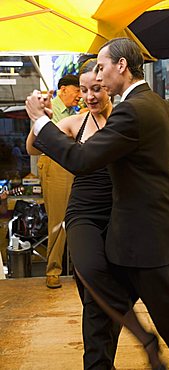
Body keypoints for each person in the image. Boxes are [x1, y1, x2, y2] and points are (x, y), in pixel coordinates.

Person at [26, 38, 169, 369]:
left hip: (145, 238)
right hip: (132, 233)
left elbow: (82, 159)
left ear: (121, 66)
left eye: (103, 69)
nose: (99, 80)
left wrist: (39, 120)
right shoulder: (159, 106)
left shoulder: (133, 111)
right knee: (100, 306)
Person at [37, 74, 82, 289]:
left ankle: (79, 270)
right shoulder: (49, 110)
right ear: (63, 89)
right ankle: (53, 271)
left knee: (78, 217)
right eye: (77, 90)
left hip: (74, 164)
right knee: (58, 219)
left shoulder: (73, 112)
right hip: (54, 164)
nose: (80, 95)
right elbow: (48, 140)